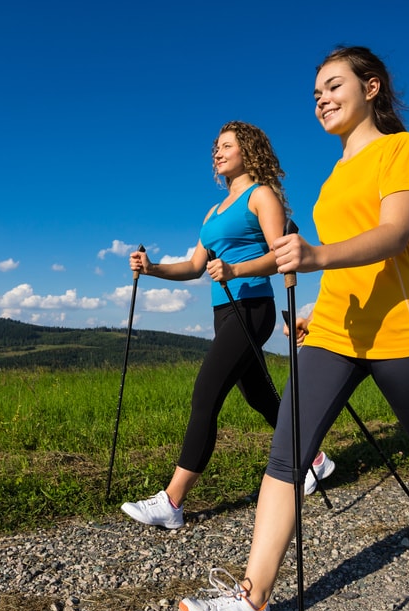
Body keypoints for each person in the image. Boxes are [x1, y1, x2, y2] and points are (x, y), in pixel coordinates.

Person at [178, 46, 409, 611]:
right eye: (315, 94)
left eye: (334, 86)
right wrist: (317, 301)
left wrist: (313, 255)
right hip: (335, 332)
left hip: (400, 332)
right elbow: (344, 265)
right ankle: (253, 600)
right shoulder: (335, 173)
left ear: (372, 87)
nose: (322, 100)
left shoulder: (400, 149)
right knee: (285, 457)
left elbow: (392, 236)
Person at [120, 120, 336, 531]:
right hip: (225, 312)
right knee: (259, 396)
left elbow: (281, 255)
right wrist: (152, 269)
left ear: (248, 151)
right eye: (215, 148)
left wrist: (236, 268)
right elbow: (195, 266)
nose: (217, 153)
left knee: (206, 393)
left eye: (226, 146)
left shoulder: (262, 196)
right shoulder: (214, 211)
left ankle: (173, 501)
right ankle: (315, 460)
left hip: (253, 306)